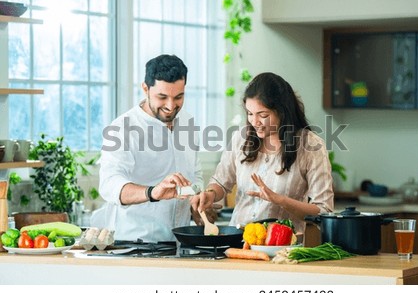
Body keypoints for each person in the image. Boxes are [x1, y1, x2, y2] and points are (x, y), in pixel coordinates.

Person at [190, 72, 334, 240]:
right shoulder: (241, 138)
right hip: (238, 242)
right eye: (250, 113)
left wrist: (279, 200)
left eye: (263, 115)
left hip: (283, 248)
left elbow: (324, 211)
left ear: (282, 111)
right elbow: (221, 182)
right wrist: (210, 194)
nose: (254, 121)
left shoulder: (310, 146)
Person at [91, 54, 204, 242]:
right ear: (145, 88)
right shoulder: (122, 128)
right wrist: (152, 192)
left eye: (178, 97)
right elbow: (109, 185)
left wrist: (197, 199)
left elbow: (196, 173)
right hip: (135, 243)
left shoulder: (187, 122)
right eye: (162, 97)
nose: (170, 106)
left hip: (179, 243)